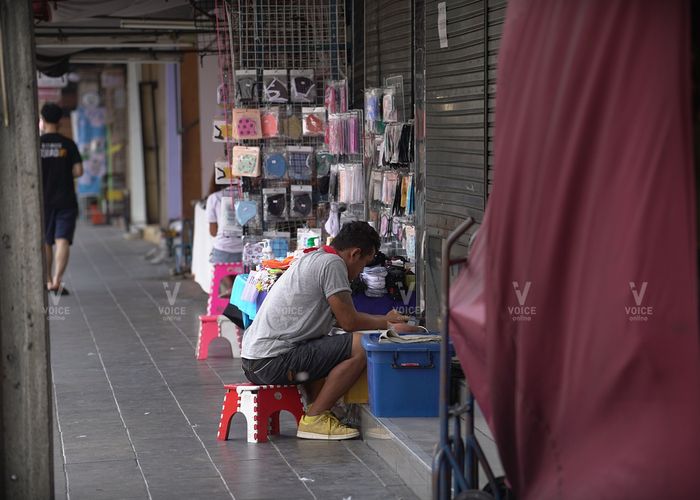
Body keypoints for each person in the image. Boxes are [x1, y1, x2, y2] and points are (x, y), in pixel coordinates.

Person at [241, 221, 415, 440]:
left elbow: (338, 322)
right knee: (362, 346)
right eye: (363, 265)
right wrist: (388, 324)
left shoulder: (316, 257)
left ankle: (318, 409)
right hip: (271, 362)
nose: (359, 273)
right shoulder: (333, 264)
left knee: (326, 344)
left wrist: (383, 322)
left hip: (255, 361)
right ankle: (315, 418)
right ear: (355, 253)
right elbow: (349, 322)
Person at [39, 102, 83, 295]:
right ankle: (58, 281)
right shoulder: (68, 144)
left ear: (42, 120)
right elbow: (79, 171)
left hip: (43, 201)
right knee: (62, 240)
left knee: (46, 241)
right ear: (59, 121)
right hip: (66, 199)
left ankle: (48, 281)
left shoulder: (36, 144)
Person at [205, 180, 244, 296]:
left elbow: (213, 232)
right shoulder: (247, 194)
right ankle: (236, 292)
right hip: (245, 249)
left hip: (223, 251)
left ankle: (229, 290)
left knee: (216, 265)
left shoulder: (214, 198)